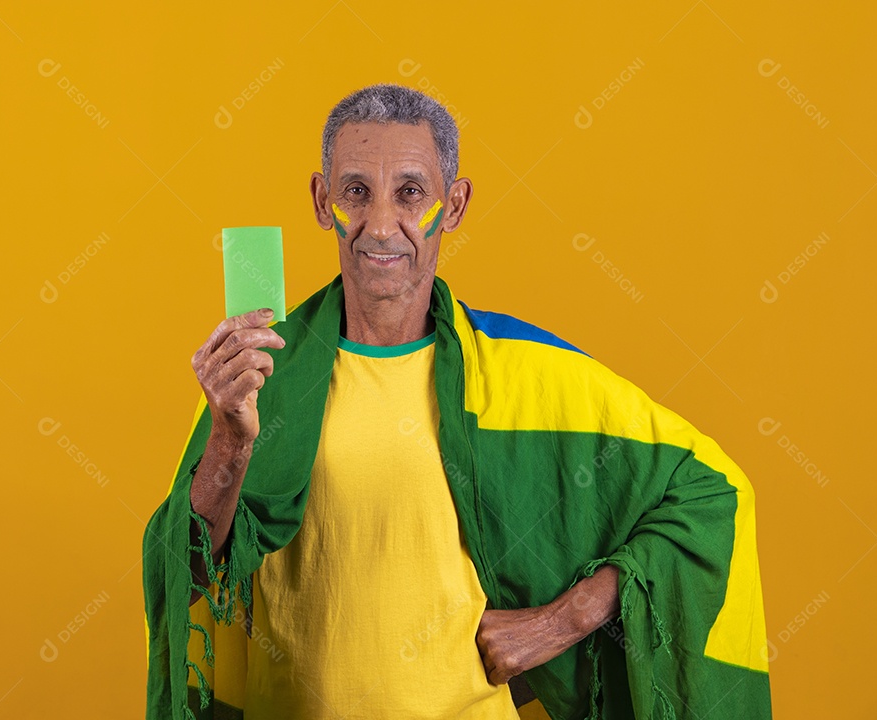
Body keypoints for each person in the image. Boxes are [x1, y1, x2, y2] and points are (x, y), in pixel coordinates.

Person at [143, 84, 772, 720]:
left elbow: (712, 491)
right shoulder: (260, 374)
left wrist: (565, 619)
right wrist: (230, 438)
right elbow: (187, 572)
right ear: (320, 199)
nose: (380, 225)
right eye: (355, 190)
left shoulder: (522, 373)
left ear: (456, 204)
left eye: (410, 192)